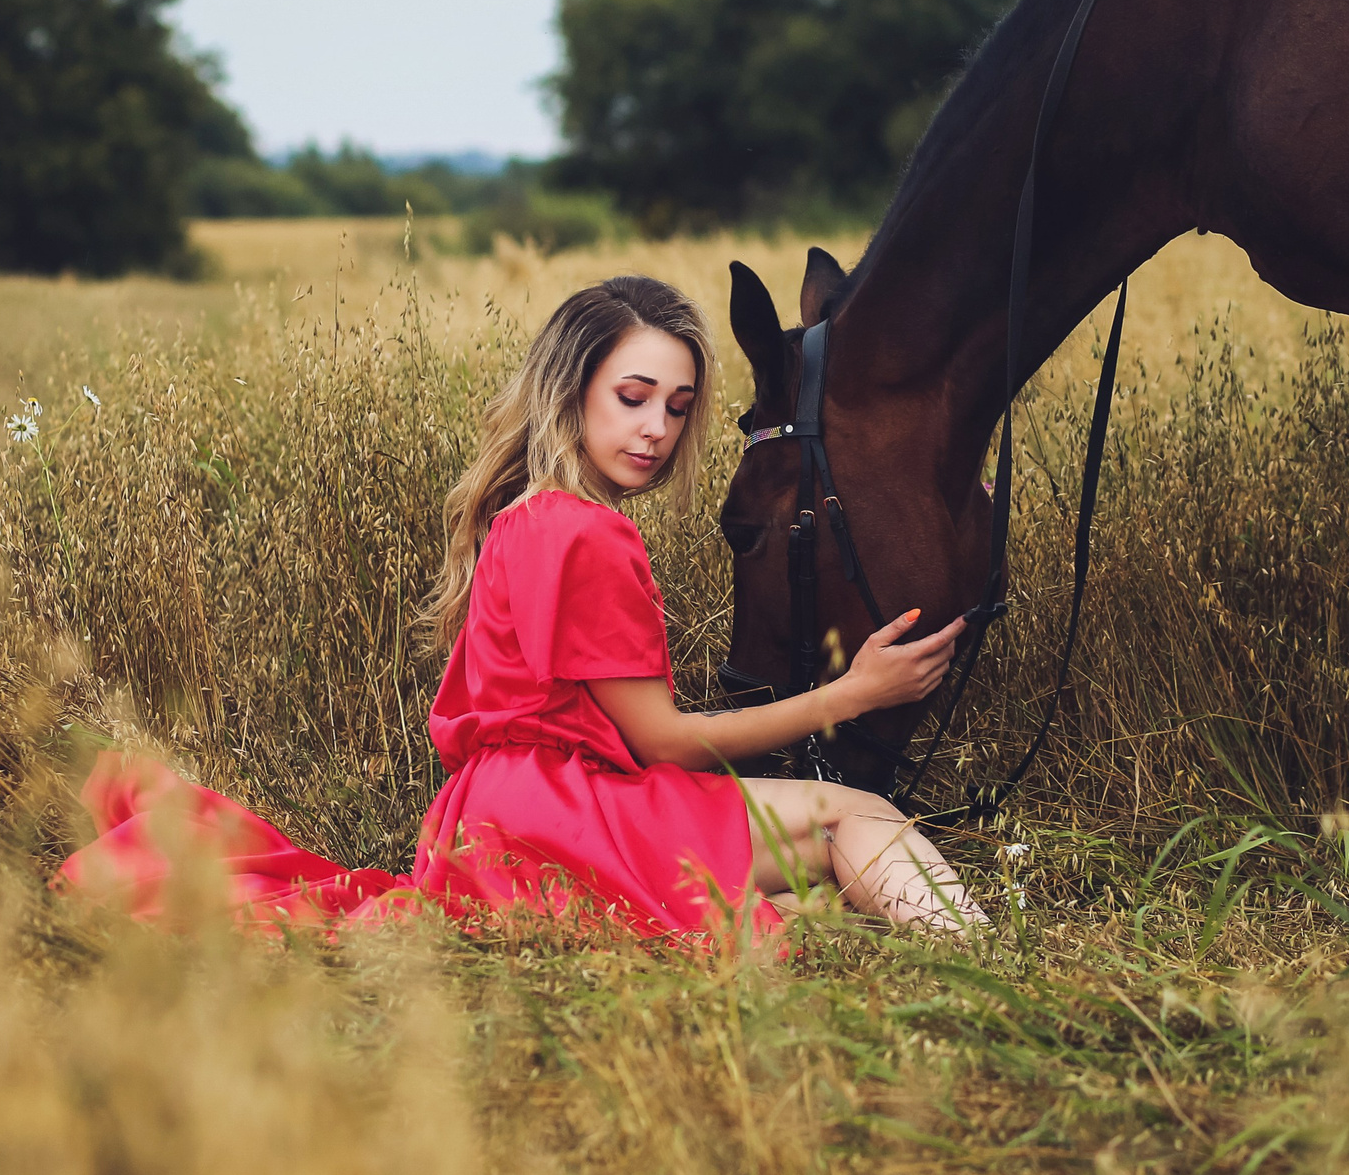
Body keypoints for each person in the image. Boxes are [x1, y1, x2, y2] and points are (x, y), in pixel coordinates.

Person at [60, 275, 988, 939]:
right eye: (632, 398)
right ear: (572, 386)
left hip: (487, 818)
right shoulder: (587, 532)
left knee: (792, 889)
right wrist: (848, 695)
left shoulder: (524, 516)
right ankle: (995, 958)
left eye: (676, 405)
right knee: (855, 813)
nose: (656, 428)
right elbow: (657, 741)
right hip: (559, 817)